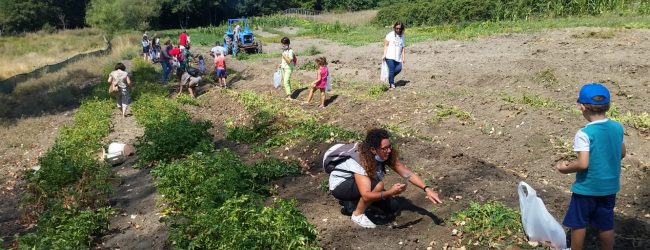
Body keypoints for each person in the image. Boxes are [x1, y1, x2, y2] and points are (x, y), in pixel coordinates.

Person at [325, 128, 442, 228]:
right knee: (378, 185)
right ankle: (357, 214)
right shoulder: (361, 161)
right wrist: (390, 192)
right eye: (384, 148)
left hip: (361, 183)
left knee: (393, 207)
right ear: (373, 150)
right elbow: (366, 194)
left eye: (389, 146)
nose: (389, 150)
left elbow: (408, 173)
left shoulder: (384, 154)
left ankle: (353, 202)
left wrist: (426, 189)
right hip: (341, 185)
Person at [555, 83, 625, 250]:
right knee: (606, 223)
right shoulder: (618, 128)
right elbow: (622, 153)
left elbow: (583, 163)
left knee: (578, 223)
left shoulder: (584, 133)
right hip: (610, 187)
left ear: (582, 107)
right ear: (608, 105)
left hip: (587, 188)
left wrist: (564, 168)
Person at [383, 21, 406, 90]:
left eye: (400, 29)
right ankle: (391, 84)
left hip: (397, 57)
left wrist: (403, 57)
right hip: (389, 56)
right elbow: (386, 45)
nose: (398, 30)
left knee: (399, 68)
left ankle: (389, 77)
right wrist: (384, 54)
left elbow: (403, 47)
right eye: (397, 28)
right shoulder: (390, 35)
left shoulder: (402, 36)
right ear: (394, 28)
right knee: (392, 69)